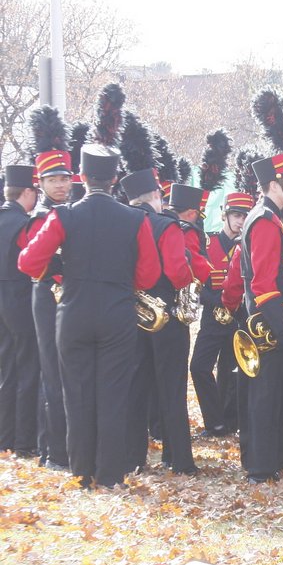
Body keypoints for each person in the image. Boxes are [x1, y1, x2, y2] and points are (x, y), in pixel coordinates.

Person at [18, 144, 161, 487]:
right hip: (117, 314)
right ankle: (111, 475)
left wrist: (60, 268)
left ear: (81, 177)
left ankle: (81, 471)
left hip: (74, 313)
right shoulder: (135, 218)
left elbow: (27, 262)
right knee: (113, 394)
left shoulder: (63, 216)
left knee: (77, 393)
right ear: (115, 179)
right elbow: (148, 276)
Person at [121, 170, 199, 475]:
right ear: (156, 196)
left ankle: (134, 458)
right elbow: (179, 272)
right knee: (171, 388)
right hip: (166, 314)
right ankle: (178, 459)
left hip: (131, 313)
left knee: (136, 387)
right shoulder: (167, 226)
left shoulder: (122, 223)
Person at [239, 152, 283, 483]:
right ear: (273, 184)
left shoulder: (270, 219)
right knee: (266, 397)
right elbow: (263, 285)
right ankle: (261, 466)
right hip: (268, 324)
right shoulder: (265, 221)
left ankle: (275, 459)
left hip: (272, 322)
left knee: (277, 395)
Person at [25, 122, 75, 470]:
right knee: (52, 372)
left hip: (69, 297)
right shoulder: (39, 217)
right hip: (46, 294)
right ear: (40, 183)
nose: (61, 184)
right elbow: (31, 263)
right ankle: (52, 450)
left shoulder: (71, 212)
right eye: (54, 179)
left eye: (65, 178)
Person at [190, 191, 251, 437]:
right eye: (236, 215)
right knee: (199, 367)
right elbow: (198, 281)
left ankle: (227, 423)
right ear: (224, 215)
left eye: (245, 216)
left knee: (231, 372)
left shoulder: (249, 245)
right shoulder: (208, 244)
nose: (240, 221)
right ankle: (214, 420)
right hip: (213, 316)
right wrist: (216, 301)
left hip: (238, 317)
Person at [0, 164, 41, 457]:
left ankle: (5, 436)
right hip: (21, 299)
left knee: (6, 369)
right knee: (28, 368)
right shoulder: (24, 224)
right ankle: (25, 440)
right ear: (26, 192)